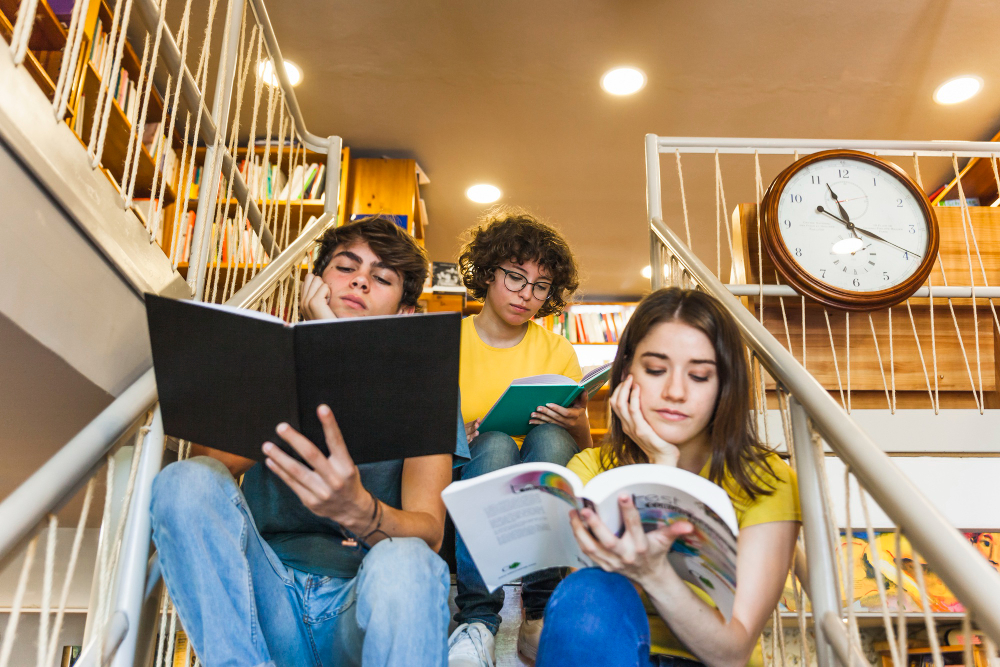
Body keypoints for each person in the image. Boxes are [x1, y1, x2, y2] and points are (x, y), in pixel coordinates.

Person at [150, 217, 468, 667]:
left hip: (360, 604)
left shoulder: (424, 381)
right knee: (183, 479)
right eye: (347, 268)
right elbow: (208, 476)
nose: (360, 280)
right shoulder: (266, 360)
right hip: (268, 596)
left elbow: (430, 531)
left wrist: (360, 510)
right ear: (314, 282)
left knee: (410, 563)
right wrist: (319, 357)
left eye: (381, 278)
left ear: (404, 314)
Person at [536, 287, 801, 667]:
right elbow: (589, 613)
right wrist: (658, 467)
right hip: (616, 654)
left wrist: (655, 573)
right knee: (588, 587)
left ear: (724, 385)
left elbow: (732, 653)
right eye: (656, 370)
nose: (675, 392)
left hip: (707, 659)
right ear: (626, 374)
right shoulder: (590, 469)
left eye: (699, 376)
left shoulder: (767, 480)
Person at [448, 207, 588, 666]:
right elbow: (420, 437)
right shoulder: (448, 340)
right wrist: (453, 433)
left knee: (548, 437)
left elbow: (582, 449)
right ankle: (479, 619)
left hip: (535, 489)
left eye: (540, 286)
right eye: (514, 277)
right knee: (493, 444)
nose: (526, 294)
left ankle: (541, 612)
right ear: (488, 274)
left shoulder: (556, 348)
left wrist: (571, 421)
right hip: (465, 486)